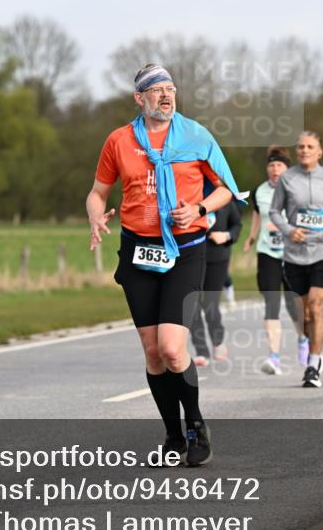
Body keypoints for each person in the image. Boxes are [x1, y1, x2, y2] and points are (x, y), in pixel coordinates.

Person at [87, 65, 243, 467]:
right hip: (138, 252)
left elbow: (228, 189)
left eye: (171, 88)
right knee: (153, 353)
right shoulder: (119, 141)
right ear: (140, 99)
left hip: (185, 251)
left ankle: (195, 425)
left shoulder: (196, 136)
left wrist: (199, 208)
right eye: (156, 90)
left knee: (173, 350)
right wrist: (95, 215)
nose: (166, 96)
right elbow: (98, 191)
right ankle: (173, 437)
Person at [269, 131, 323, 388]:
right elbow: (274, 211)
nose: (304, 150)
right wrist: (290, 230)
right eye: (300, 146)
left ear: (319, 151)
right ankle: (311, 348)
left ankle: (313, 364)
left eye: (309, 146)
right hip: (295, 253)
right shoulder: (287, 179)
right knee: (304, 314)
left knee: (315, 306)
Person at [243, 146, 306, 375]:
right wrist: (251, 237)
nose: (275, 169)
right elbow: (258, 216)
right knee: (271, 304)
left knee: (295, 305)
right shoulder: (259, 191)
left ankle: (303, 340)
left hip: (292, 255)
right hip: (267, 253)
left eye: (279, 165)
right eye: (271, 165)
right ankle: (275, 357)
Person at [189, 198, 242, 366]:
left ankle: (218, 341)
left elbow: (237, 225)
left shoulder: (224, 200)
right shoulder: (190, 197)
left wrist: (226, 235)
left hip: (218, 258)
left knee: (210, 303)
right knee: (192, 304)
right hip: (192, 259)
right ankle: (201, 350)